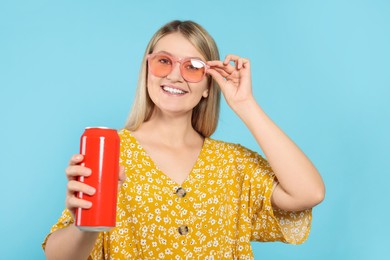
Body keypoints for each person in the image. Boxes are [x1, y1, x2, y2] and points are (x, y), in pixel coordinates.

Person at [42, 20, 325, 259]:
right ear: (146, 72)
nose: (176, 75)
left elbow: (309, 193)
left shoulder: (233, 164)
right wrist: (85, 223)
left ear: (207, 85)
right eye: (164, 62)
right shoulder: (110, 152)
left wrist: (245, 104)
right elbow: (57, 256)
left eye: (192, 66)